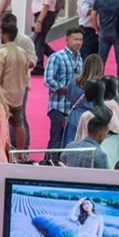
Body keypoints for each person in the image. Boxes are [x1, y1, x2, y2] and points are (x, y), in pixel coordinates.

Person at [0, 20, 33, 157]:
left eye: (1, 34)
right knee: (19, 125)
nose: (0, 36)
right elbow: (26, 71)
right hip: (18, 96)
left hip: (3, 97)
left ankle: (2, 153)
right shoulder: (23, 53)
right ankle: (20, 154)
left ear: (6, 35)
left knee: (1, 126)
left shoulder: (2, 53)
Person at [43, 29, 85, 162]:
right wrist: (67, 90)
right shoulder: (57, 57)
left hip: (73, 109)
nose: (78, 43)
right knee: (56, 141)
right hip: (58, 107)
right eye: (75, 39)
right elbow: (48, 80)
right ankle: (48, 165)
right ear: (66, 39)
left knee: (69, 142)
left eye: (80, 40)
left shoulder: (80, 59)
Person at [29, 0, 60, 69]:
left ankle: (39, 64)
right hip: (41, 14)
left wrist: (39, 21)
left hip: (44, 15)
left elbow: (46, 6)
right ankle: (54, 58)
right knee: (38, 40)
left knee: (38, 40)